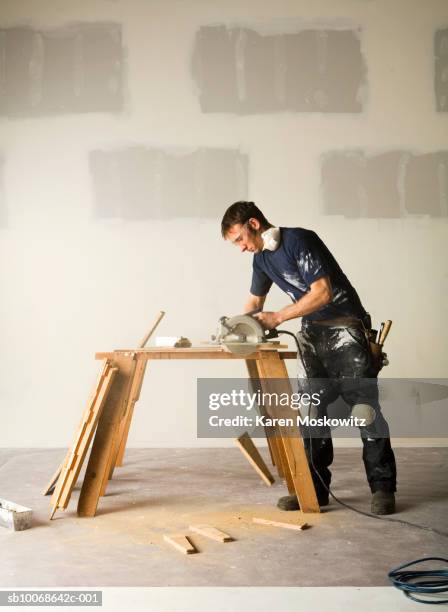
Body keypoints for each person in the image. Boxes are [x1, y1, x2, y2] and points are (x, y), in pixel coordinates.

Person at [221, 201, 397, 515]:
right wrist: (233, 331)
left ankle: (383, 489)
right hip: (312, 335)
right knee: (312, 412)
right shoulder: (261, 260)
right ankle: (315, 490)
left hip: (347, 328)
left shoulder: (300, 240)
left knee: (364, 410)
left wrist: (277, 317)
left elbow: (323, 292)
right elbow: (253, 302)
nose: (241, 248)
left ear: (254, 223)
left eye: (239, 240)